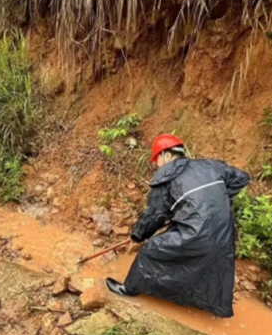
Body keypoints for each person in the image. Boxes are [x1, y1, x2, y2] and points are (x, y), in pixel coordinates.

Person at [106, 134, 250, 318]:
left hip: (195, 233)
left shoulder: (166, 176)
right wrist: (218, 198)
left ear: (166, 155)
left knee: (151, 250)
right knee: (211, 265)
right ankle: (211, 306)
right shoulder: (210, 166)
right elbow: (242, 178)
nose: (156, 164)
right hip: (223, 233)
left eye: (156, 159)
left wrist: (138, 235)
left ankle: (130, 288)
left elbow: (154, 215)